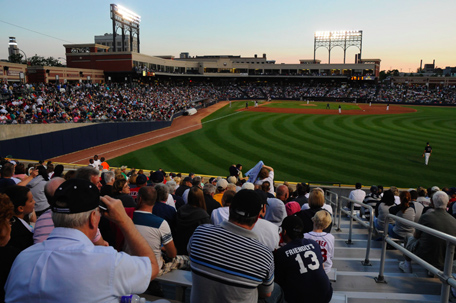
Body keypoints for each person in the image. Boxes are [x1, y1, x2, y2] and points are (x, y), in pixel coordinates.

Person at [4, 178, 160, 302]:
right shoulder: (107, 261)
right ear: (93, 218)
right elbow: (152, 267)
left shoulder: (22, 259)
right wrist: (125, 221)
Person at [188, 189, 281, 303]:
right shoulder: (264, 255)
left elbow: (191, 254)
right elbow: (266, 293)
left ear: (230, 209)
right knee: (276, 289)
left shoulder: (200, 233)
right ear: (257, 218)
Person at [274, 216, 333, 303]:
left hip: (301, 298)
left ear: (285, 231)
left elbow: (279, 281)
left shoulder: (281, 252)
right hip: (325, 293)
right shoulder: (314, 244)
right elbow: (322, 268)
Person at [399, 191, 456, 273]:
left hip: (426, 255)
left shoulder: (426, 217)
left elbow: (416, 236)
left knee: (408, 236)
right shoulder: (454, 221)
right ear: (447, 203)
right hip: (446, 257)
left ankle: (407, 265)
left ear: (432, 202)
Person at [174, 187, 210, 255]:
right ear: (201, 198)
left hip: (180, 247)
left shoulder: (181, 209)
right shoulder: (203, 215)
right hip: (194, 249)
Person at [304, 210, 335, 275]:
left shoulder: (305, 236)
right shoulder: (330, 237)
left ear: (313, 220)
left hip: (309, 269)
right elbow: (331, 255)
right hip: (326, 269)